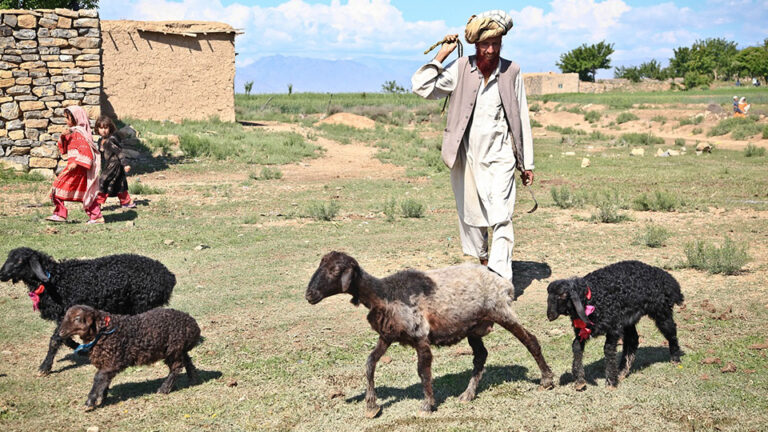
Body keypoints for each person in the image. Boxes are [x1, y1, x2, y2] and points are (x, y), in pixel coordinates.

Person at [411, 10, 534, 283]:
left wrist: (527, 164)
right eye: (484, 44)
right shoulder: (460, 69)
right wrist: (443, 54)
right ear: (475, 44)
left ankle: (501, 280)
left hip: (501, 157)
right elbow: (421, 87)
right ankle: (484, 260)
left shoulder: (512, 71)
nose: (490, 50)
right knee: (473, 216)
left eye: (495, 44)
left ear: (502, 43)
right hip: (467, 158)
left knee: (502, 216)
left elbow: (522, 118)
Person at [47, 106, 103, 224]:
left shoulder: (79, 133)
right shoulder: (75, 132)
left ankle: (61, 214)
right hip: (75, 169)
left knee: (57, 188)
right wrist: (63, 136)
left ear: (76, 118)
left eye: (68, 118)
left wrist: (76, 163)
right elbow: (65, 149)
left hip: (78, 169)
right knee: (83, 193)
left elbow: (86, 152)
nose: (66, 121)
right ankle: (95, 216)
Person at [95, 115, 135, 209]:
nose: (103, 130)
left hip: (115, 165)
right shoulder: (101, 140)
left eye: (106, 128)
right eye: (101, 128)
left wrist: (125, 164)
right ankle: (126, 202)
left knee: (103, 182)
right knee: (119, 183)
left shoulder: (111, 140)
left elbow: (119, 152)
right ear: (97, 129)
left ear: (110, 128)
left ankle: (97, 203)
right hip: (109, 166)